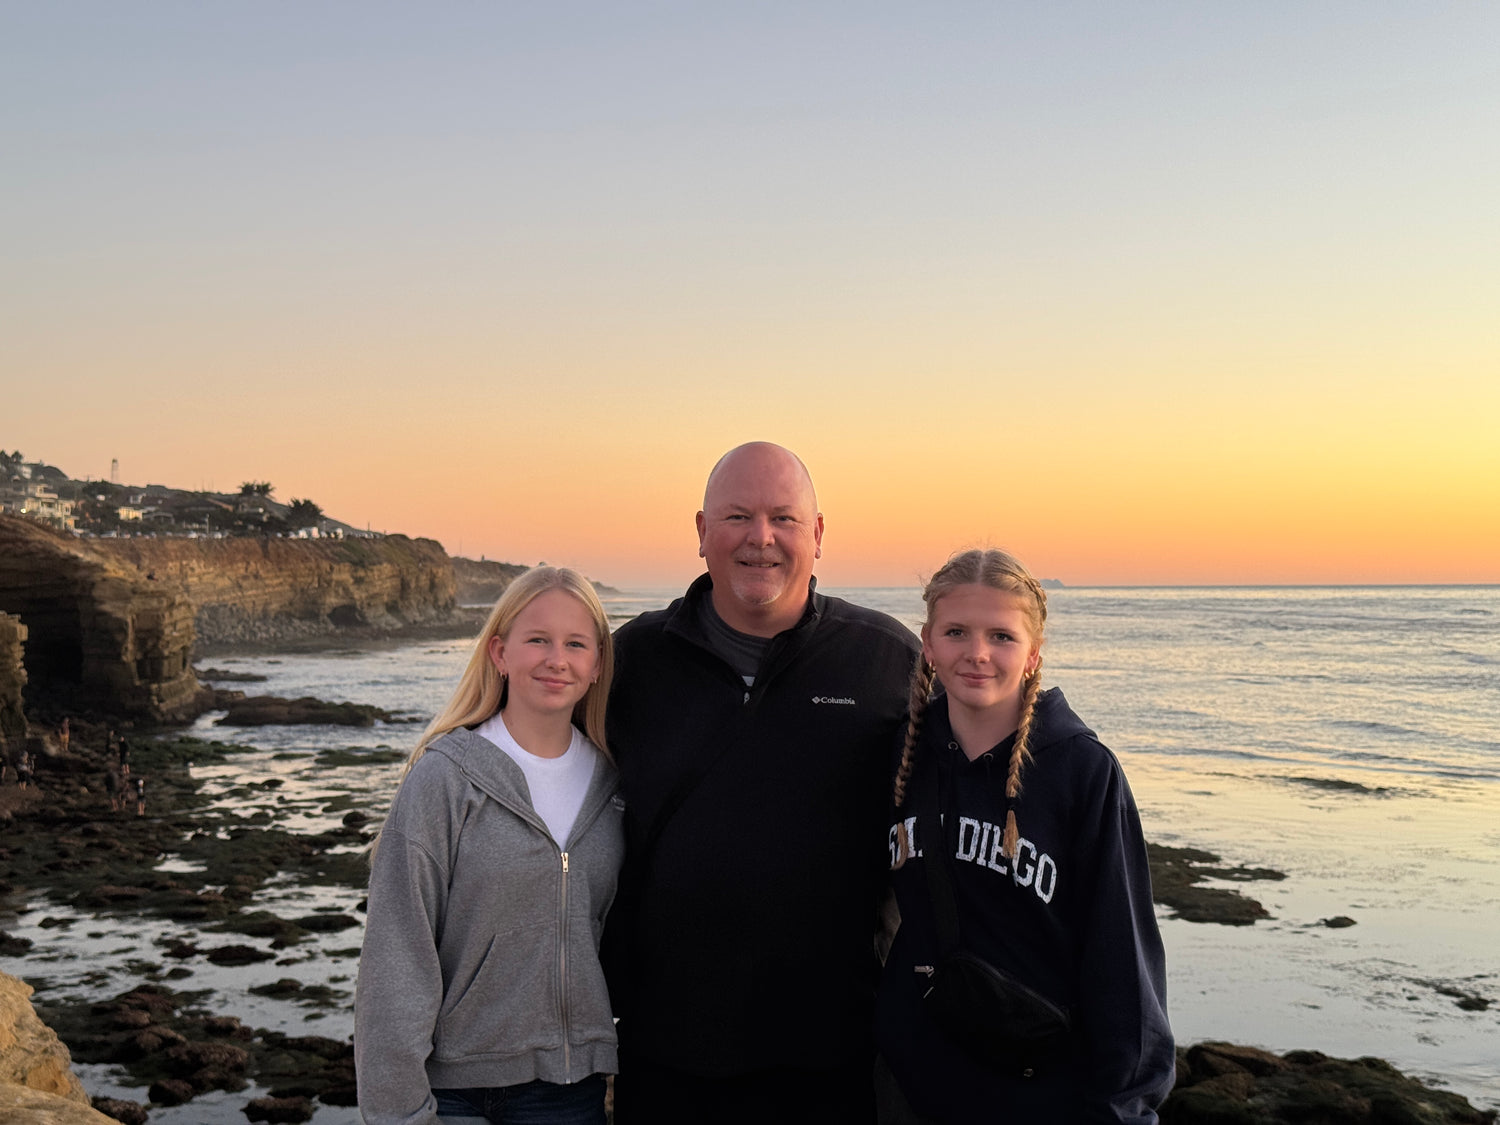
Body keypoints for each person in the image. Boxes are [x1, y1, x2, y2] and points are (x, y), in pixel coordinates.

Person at [604, 442, 919, 1124]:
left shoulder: (886, 659)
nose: (761, 537)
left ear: (819, 533)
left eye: (784, 517)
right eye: (738, 516)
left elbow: (966, 789)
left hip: (833, 1060)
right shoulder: (632, 660)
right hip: (666, 1055)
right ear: (701, 531)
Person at [875, 549, 1174, 1124]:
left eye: (1002, 636)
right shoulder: (903, 755)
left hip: (1036, 1091)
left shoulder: (1081, 771)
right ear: (928, 643)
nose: (977, 653)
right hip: (909, 1085)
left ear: (1034, 653)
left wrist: (1126, 1108)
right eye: (956, 632)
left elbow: (1122, 958)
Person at [355, 566, 624, 1125]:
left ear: (598, 664)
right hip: (456, 1093)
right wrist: (399, 1113)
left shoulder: (615, 788)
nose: (557, 660)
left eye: (576, 644)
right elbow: (396, 954)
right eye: (538, 640)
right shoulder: (446, 778)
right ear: (500, 653)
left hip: (567, 1090)